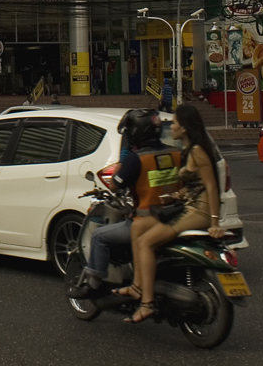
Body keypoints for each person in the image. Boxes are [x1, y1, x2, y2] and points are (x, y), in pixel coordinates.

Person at [125, 103, 225, 324]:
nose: (171, 127)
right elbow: (195, 185)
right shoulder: (189, 151)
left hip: (198, 211)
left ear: (185, 128)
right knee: (138, 226)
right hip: (189, 206)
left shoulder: (197, 151)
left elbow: (211, 187)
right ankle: (137, 285)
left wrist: (215, 222)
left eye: (175, 123)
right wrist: (174, 196)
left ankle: (147, 304)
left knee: (146, 242)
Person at [78, 109, 181, 293]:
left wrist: (123, 159)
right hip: (176, 217)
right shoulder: (177, 153)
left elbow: (114, 186)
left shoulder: (136, 159)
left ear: (135, 133)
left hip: (146, 221)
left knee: (99, 236)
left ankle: (94, 285)